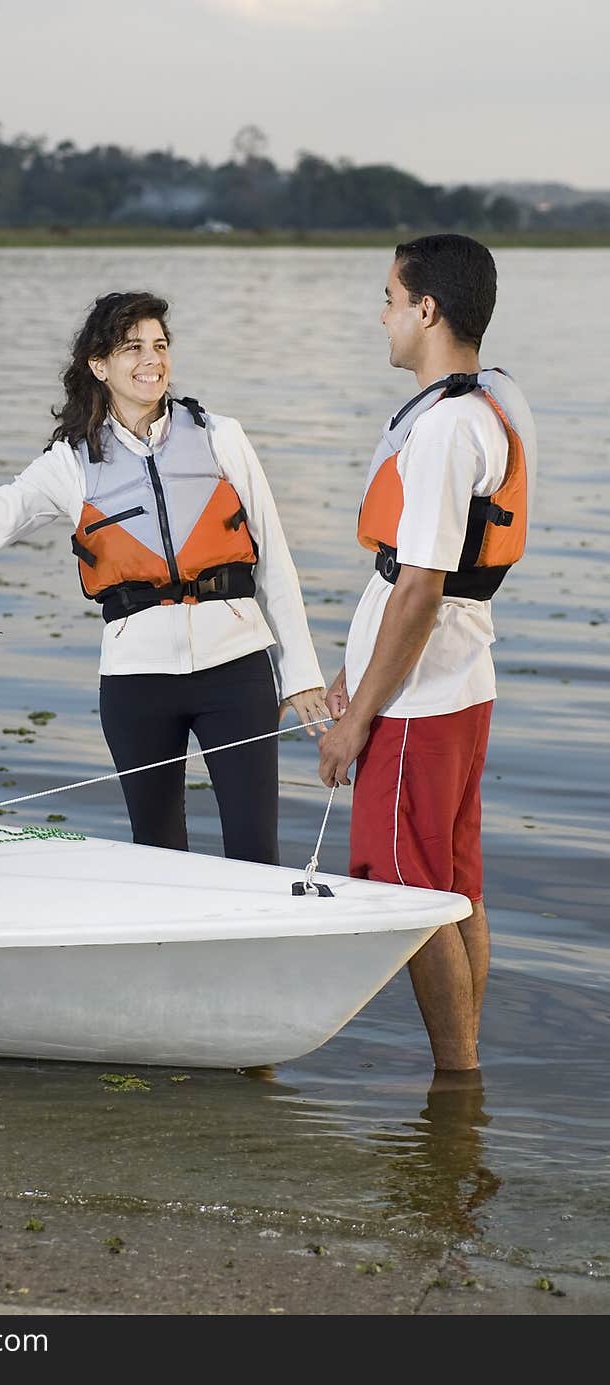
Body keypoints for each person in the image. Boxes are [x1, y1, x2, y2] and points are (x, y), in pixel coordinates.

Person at [0, 290, 328, 864]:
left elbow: (273, 558)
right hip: (136, 682)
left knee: (255, 852)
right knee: (159, 853)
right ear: (99, 366)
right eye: (133, 348)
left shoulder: (221, 436)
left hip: (236, 671)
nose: (153, 360)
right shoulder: (69, 464)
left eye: (160, 346)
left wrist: (300, 675)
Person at [318, 234, 537, 1072]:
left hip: (417, 704)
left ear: (427, 310)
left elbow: (419, 589)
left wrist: (355, 720)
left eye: (388, 297)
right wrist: (355, 665)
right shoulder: (482, 407)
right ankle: (464, 1076)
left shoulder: (447, 427)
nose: (381, 317)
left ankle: (457, 1083)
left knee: (408, 895)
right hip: (457, 686)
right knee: (456, 887)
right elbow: (412, 590)